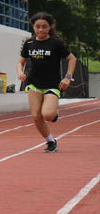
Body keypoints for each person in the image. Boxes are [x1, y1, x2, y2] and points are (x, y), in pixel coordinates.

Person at [18, 13, 76, 153]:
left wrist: (67, 78)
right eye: (37, 26)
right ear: (33, 27)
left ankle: (54, 111)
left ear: (50, 27)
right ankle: (51, 141)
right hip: (33, 83)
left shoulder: (55, 43)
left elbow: (72, 59)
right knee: (36, 116)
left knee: (48, 115)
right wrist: (20, 72)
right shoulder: (29, 43)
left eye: (44, 27)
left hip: (52, 84)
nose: (41, 30)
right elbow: (21, 61)